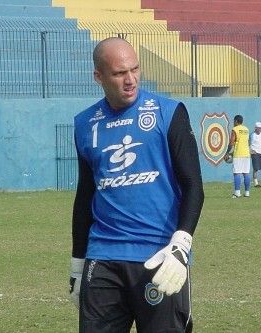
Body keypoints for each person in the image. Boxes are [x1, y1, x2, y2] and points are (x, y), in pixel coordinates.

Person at [70, 37, 204, 333]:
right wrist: (77, 264)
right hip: (103, 257)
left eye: (135, 69)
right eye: (119, 73)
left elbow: (193, 185)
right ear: (99, 77)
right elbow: (85, 197)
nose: (130, 80)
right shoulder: (85, 124)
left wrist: (180, 247)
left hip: (160, 256)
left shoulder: (168, 113)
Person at [224, 115, 251, 198]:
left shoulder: (235, 129)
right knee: (246, 173)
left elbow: (231, 142)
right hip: (246, 154)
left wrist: (227, 153)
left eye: (234, 121)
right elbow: (248, 142)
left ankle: (237, 193)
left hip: (238, 154)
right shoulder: (246, 129)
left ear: (236, 121)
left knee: (237, 173)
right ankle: (247, 193)